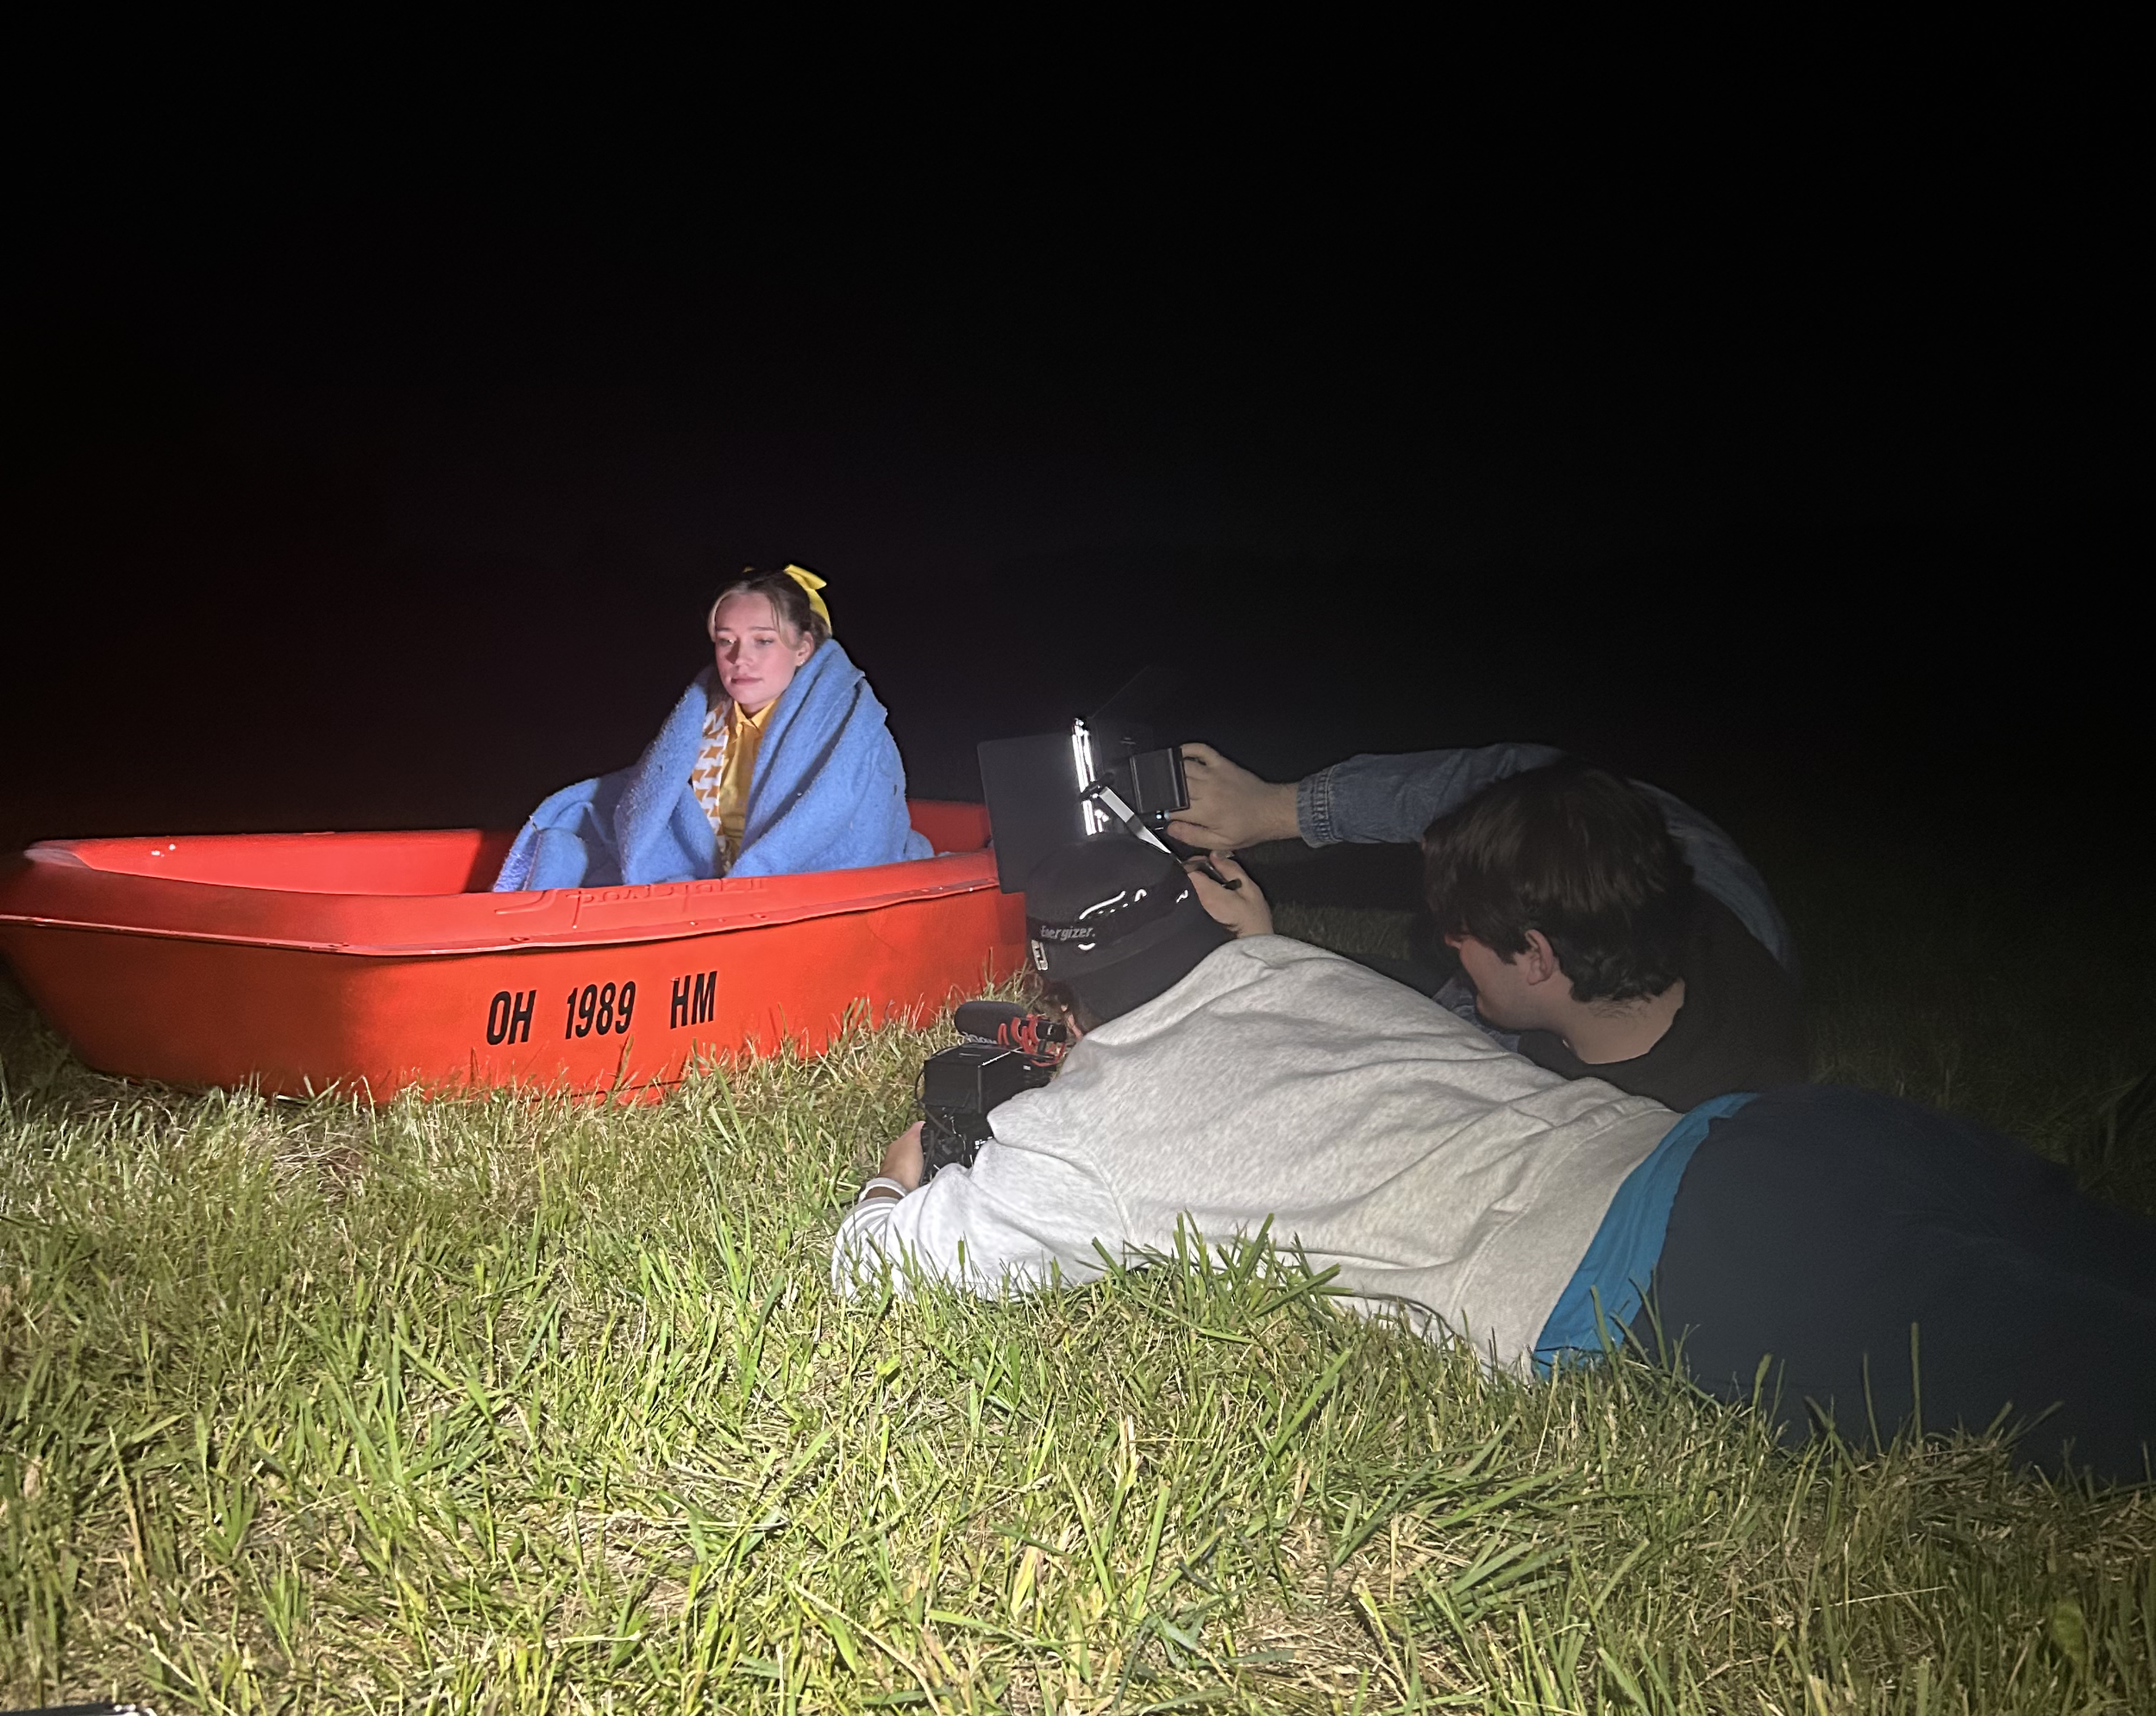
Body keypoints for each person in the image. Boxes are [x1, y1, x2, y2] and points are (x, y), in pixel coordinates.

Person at [835, 832, 2156, 1481]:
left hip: (1683, 1267)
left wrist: (903, 1172)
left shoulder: (1080, 1143)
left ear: (1055, 994)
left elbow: (878, 1277)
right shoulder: (1290, 963)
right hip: (1780, 1131)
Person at [1168, 736, 1797, 975]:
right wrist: (1275, 809)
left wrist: (1264, 965)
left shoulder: (1559, 1088)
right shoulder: (1634, 844)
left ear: (1536, 958)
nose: (1443, 933)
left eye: (1459, 926)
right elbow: (1515, 774)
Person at [495, 565, 933, 891]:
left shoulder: (847, 729)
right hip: (709, 881)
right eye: (726, 641)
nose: (739, 658)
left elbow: (852, 824)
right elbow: (653, 800)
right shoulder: (705, 720)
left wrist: (751, 883)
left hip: (783, 888)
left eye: (763, 641)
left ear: (803, 648)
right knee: (566, 848)